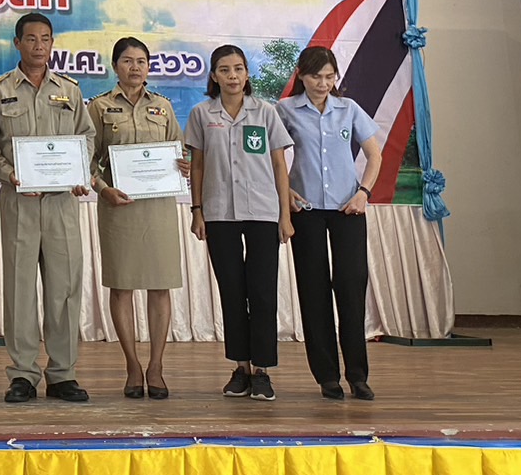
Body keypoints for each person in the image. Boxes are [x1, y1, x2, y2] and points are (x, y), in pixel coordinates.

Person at [0, 13, 95, 404]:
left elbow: (86, 136)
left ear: (52, 43)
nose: (39, 46)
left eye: (45, 39)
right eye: (31, 39)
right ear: (17, 43)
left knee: (64, 289)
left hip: (61, 204)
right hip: (19, 201)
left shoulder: (69, 90)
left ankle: (62, 373)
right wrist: (8, 173)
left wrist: (79, 171)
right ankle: (23, 373)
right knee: (20, 289)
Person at [185, 43, 294, 402]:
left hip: (262, 212)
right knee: (232, 292)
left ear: (247, 74)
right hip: (219, 213)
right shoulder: (202, 114)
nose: (232, 76)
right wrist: (197, 210)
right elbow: (197, 165)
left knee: (262, 292)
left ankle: (262, 371)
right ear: (214, 76)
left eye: (238, 69)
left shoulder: (266, 112)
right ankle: (240, 368)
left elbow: (279, 165)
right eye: (225, 70)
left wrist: (284, 215)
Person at [276, 45, 382, 401]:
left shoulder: (348, 109)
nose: (323, 84)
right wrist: (286, 192)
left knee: (351, 289)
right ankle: (327, 376)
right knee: (314, 291)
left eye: (329, 76)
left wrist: (363, 192)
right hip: (305, 211)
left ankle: (358, 375)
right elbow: (272, 157)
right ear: (301, 76)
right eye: (315, 77)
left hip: (347, 210)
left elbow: (375, 154)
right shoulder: (285, 109)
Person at [87, 37, 190, 400]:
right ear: (115, 66)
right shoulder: (99, 106)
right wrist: (103, 189)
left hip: (159, 206)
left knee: (160, 286)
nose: (135, 67)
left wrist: (184, 165)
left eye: (141, 61)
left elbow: (179, 150)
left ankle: (156, 366)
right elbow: (88, 159)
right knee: (122, 286)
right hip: (119, 206)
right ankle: (132, 365)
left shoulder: (162, 106)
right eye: (128, 61)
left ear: (149, 66)